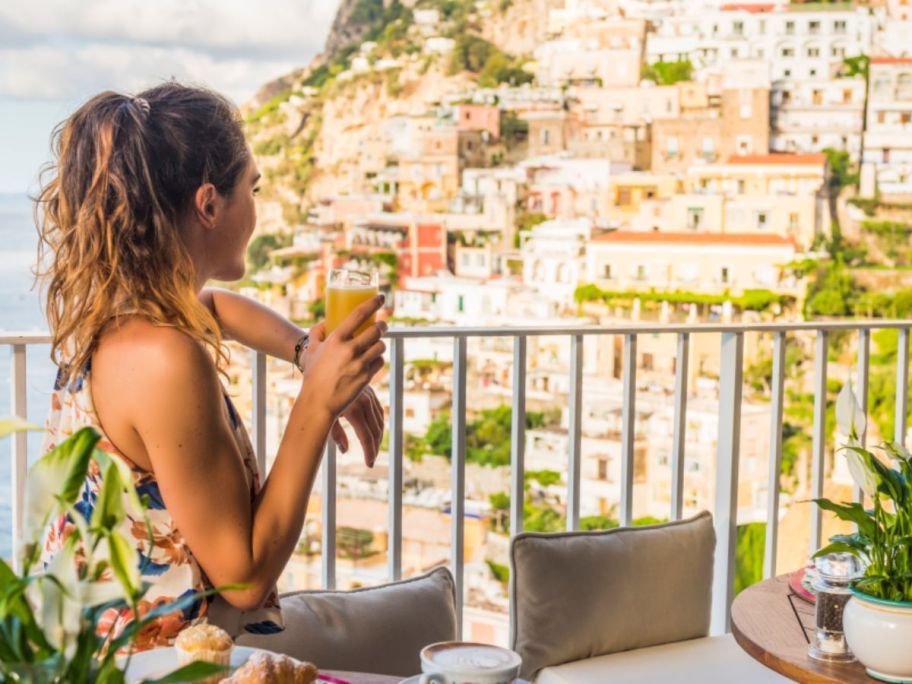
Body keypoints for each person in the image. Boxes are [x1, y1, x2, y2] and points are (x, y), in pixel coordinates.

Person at [33, 82, 386, 649]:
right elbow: (244, 578)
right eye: (253, 187)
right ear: (209, 204)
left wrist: (304, 350)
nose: (257, 207)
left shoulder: (128, 311)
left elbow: (216, 307)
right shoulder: (164, 358)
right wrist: (318, 401)